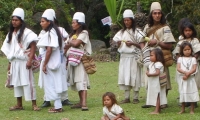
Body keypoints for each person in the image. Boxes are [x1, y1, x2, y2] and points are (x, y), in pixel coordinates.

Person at [1, 8, 40, 111]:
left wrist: (29, 60)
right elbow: (9, 50)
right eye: (13, 20)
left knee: (28, 82)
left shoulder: (27, 32)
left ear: (21, 21)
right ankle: (19, 104)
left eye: (16, 20)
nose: (14, 22)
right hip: (14, 62)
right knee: (16, 82)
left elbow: (33, 47)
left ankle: (34, 104)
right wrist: (10, 63)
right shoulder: (10, 33)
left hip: (24, 61)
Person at [140, 2, 176, 108]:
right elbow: (141, 40)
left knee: (162, 79)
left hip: (161, 57)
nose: (157, 15)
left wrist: (156, 42)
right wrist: (143, 50)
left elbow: (169, 45)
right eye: (155, 13)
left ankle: (163, 102)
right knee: (149, 79)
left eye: (159, 13)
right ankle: (152, 101)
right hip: (149, 56)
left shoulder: (165, 28)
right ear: (151, 15)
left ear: (161, 14)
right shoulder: (147, 27)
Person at [40, 9, 72, 108]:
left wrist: (45, 64)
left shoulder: (52, 33)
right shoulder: (54, 31)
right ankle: (57, 105)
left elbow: (49, 49)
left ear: (49, 22)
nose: (41, 23)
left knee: (53, 82)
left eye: (43, 21)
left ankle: (58, 107)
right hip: (56, 60)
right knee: (56, 82)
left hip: (52, 61)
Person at [113, 9, 143, 104]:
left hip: (134, 57)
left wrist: (133, 43)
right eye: (125, 20)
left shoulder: (137, 32)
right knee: (125, 76)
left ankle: (135, 97)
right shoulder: (121, 32)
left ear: (132, 20)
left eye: (128, 20)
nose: (126, 22)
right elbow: (118, 45)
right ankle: (126, 97)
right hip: (124, 57)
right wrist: (118, 44)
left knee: (135, 76)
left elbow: (142, 45)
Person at [66, 12, 92, 111]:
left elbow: (76, 43)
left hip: (81, 61)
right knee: (77, 81)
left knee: (82, 80)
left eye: (74, 23)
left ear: (79, 24)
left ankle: (84, 103)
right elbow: (66, 45)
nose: (72, 24)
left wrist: (69, 41)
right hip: (72, 60)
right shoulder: (73, 34)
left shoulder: (84, 33)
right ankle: (80, 102)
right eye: (72, 23)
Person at [173, 22, 200, 108]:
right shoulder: (181, 41)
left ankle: (193, 102)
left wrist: (192, 60)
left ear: (192, 31)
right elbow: (177, 52)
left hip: (192, 65)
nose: (188, 32)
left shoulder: (195, 40)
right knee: (183, 83)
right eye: (186, 30)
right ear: (183, 31)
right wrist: (180, 60)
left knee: (193, 83)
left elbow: (197, 52)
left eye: (189, 30)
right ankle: (185, 100)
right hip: (182, 66)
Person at [176, 41, 199, 114]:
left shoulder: (193, 59)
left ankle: (192, 109)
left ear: (191, 50)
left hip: (190, 79)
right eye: (185, 50)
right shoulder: (180, 59)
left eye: (189, 49)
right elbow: (178, 68)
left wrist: (188, 73)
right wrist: (185, 73)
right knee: (182, 93)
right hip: (183, 79)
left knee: (191, 94)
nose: (187, 51)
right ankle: (183, 109)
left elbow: (194, 68)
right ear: (182, 51)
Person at [146, 48, 167, 114]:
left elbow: (157, 73)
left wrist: (149, 74)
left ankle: (157, 110)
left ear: (158, 56)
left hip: (157, 83)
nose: (150, 57)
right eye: (150, 55)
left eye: (152, 55)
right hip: (153, 82)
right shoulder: (152, 64)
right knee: (155, 95)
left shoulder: (158, 64)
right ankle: (158, 109)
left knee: (157, 95)